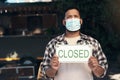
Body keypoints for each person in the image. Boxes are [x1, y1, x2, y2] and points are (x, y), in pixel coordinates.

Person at [39, 7, 108, 80]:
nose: (72, 19)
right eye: (69, 17)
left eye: (75, 16)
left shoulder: (92, 42)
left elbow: (102, 72)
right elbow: (46, 73)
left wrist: (96, 68)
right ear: (64, 22)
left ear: (80, 21)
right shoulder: (53, 43)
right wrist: (53, 69)